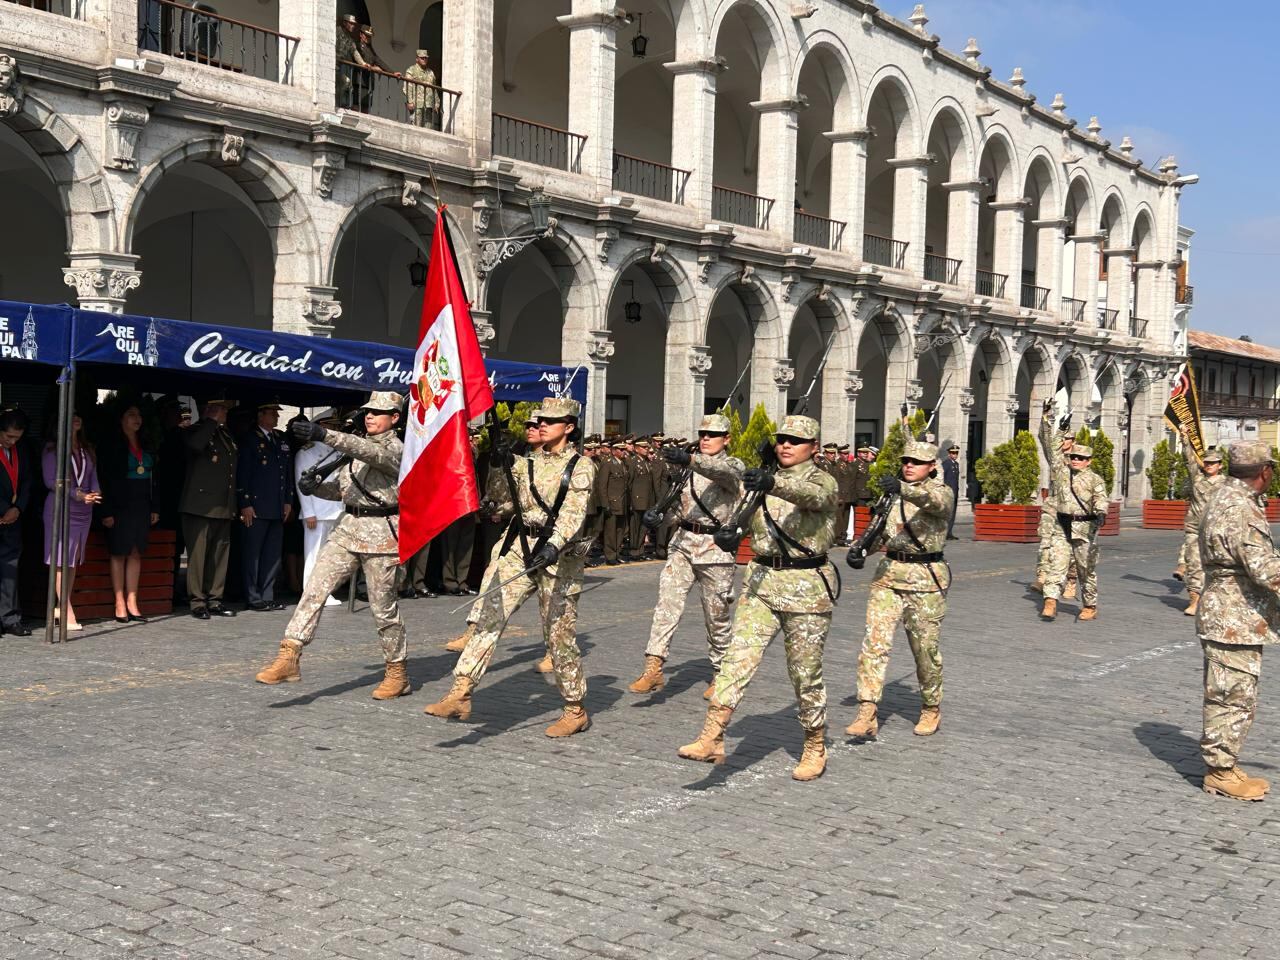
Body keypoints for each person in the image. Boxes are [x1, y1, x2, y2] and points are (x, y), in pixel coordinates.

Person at [678, 415, 838, 781]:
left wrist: (772, 482)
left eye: (795, 441)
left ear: (813, 447)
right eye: (781, 439)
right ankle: (711, 736)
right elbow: (745, 516)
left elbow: (812, 497)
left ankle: (815, 744)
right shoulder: (762, 479)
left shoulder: (821, 480)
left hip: (806, 588)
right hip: (762, 582)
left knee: (804, 673)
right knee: (737, 660)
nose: (786, 445)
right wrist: (730, 533)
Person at [425, 397, 597, 737]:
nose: (542, 424)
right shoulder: (527, 461)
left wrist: (552, 546)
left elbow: (573, 514)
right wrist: (498, 460)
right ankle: (460, 691)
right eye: (540, 419)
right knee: (491, 614)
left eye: (552, 420)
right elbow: (504, 500)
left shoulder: (580, 466)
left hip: (557, 556)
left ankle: (575, 709)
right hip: (520, 547)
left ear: (570, 426)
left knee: (558, 635)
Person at [256, 392, 410, 699]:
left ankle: (397, 671)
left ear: (394, 418)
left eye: (378, 412)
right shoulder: (357, 449)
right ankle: (290, 654)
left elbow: (366, 451)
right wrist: (316, 489)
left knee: (383, 609)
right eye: (367, 411)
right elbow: (345, 490)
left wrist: (323, 433)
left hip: (381, 535)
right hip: (348, 529)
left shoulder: (395, 449)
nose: (369, 416)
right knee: (314, 588)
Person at [846, 439, 954, 741]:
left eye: (916, 462)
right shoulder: (893, 494)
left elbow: (935, 505)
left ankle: (931, 705)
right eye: (906, 460)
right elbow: (880, 527)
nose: (909, 465)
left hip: (925, 579)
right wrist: (862, 549)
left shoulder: (940, 492)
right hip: (889, 576)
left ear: (931, 467)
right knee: (874, 644)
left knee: (925, 650)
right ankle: (867, 710)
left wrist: (901, 489)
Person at [630, 415, 745, 698]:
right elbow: (680, 508)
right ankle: (653, 666)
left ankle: (722, 672)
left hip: (714, 549)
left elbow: (722, 474)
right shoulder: (688, 469)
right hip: (683, 544)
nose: (706, 438)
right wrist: (659, 517)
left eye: (713, 434)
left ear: (726, 439)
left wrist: (689, 460)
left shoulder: (732, 465)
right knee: (666, 605)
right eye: (702, 434)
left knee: (716, 616)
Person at [1196, 440, 1280, 802]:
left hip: (1231, 612)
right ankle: (1219, 771)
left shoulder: (1225, 495)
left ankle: (1226, 763)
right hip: (1232, 614)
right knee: (1232, 694)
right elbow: (1264, 568)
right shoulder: (1240, 508)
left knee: (1234, 691)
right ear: (1265, 472)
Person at [1038, 401, 1108, 621]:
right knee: (1056, 564)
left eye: (1081, 458)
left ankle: (1090, 605)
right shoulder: (1061, 471)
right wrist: (1055, 424)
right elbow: (1051, 445)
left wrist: (1101, 512)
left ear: (1089, 461)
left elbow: (1101, 499)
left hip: (1085, 528)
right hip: (1062, 525)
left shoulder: (1095, 479)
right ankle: (1050, 601)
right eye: (1073, 457)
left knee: (1085, 569)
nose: (1076, 460)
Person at [98, 402, 158, 624]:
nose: (137, 419)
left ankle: (133, 599)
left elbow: (155, 478)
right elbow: (104, 479)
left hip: (142, 504)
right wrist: (105, 510)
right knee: (118, 552)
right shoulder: (111, 444)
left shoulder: (146, 443)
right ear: (121, 419)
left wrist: (155, 507)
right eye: (131, 414)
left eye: (139, 414)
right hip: (119, 505)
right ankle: (119, 601)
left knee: (135, 552)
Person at [181, 395, 239, 619]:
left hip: (223, 504)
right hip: (199, 505)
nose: (225, 413)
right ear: (210, 409)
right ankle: (197, 601)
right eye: (221, 409)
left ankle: (215, 599)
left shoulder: (224, 434)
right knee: (198, 556)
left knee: (219, 555)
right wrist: (210, 421)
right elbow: (195, 446)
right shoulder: (196, 430)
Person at [42, 413, 101, 631]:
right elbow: (51, 481)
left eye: (79, 416)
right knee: (60, 559)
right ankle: (67, 609)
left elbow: (93, 475)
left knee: (73, 560)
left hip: (84, 510)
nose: (77, 418)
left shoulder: (87, 449)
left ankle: (61, 604)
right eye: (71, 415)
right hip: (61, 508)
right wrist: (77, 494)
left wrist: (95, 492)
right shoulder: (52, 449)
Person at [236, 399, 293, 612]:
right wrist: (245, 503)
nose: (276, 417)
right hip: (256, 506)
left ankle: (267, 594)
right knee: (253, 554)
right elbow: (243, 474)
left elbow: (285, 474)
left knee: (272, 554)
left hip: (276, 506)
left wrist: (288, 500)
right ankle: (253, 596)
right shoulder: (250, 439)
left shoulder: (280, 439)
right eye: (272, 413)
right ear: (260, 415)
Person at [293, 410, 344, 608]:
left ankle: (325, 591)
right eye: (332, 426)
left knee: (328, 556)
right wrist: (308, 512)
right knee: (314, 553)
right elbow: (302, 483)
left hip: (336, 509)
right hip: (318, 511)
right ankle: (311, 592)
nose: (335, 429)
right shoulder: (307, 452)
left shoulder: (338, 451)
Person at [1178, 429, 1225, 617]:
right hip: (1195, 529)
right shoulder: (1197, 479)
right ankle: (1194, 599)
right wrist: (1184, 438)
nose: (1209, 465)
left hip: (1217, 531)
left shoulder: (1226, 484)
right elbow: (1189, 459)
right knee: (1194, 563)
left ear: (1220, 465)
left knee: (1218, 566)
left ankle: (1215, 599)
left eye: (1213, 463)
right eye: (1206, 462)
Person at [0, 407, 32, 636]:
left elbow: (28, 480)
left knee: (10, 566)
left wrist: (18, 508)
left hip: (13, 518)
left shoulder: (22, 450)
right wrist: (3, 509)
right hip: (2, 512)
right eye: (8, 436)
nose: (12, 441)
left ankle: (10, 618)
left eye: (16, 438)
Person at [599, 439, 629, 565]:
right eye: (621, 450)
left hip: (622, 503)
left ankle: (616, 553)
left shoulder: (622, 464)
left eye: (624, 449)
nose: (624, 452)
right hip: (612, 502)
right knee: (610, 531)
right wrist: (605, 504)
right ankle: (610, 555)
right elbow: (602, 485)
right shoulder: (607, 463)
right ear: (614, 451)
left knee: (620, 530)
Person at [628, 438, 658, 560]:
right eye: (644, 447)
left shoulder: (646, 462)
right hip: (637, 500)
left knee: (643, 527)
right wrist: (631, 501)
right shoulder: (633, 462)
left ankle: (640, 551)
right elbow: (629, 483)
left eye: (647, 447)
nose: (647, 450)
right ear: (636, 449)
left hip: (647, 500)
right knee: (635, 527)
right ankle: (634, 551)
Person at [403, 49, 439, 128]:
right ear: (417, 59)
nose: (424, 59)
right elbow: (408, 86)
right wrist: (410, 101)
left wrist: (437, 102)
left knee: (428, 128)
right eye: (422, 58)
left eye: (426, 58)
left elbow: (434, 88)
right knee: (416, 127)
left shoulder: (430, 72)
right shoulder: (411, 70)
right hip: (417, 104)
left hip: (429, 105)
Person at [335, 13, 364, 110]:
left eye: (354, 24)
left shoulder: (350, 38)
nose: (353, 26)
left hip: (339, 67)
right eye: (351, 23)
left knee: (347, 85)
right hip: (332, 64)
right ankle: (336, 103)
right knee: (345, 82)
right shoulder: (336, 31)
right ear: (345, 23)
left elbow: (354, 52)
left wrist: (363, 64)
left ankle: (340, 104)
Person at [942, 443, 961, 540]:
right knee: (947, 513)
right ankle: (944, 533)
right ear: (949, 454)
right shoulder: (946, 464)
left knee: (952, 513)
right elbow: (942, 478)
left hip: (955, 492)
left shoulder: (956, 465)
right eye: (953, 453)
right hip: (948, 493)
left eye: (956, 453)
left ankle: (949, 532)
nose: (955, 455)